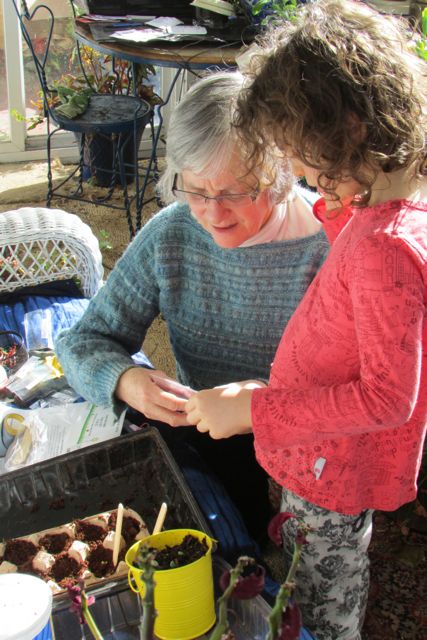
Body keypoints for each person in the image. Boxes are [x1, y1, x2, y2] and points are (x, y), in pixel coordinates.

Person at [185, 3, 427, 639]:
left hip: (334, 468)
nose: (301, 178)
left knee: (320, 602)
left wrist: (258, 408)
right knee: (305, 560)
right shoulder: (384, 212)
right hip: (320, 460)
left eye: (307, 164)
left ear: (345, 127)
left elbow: (387, 397)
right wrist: (341, 202)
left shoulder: (384, 247)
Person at [55, 70, 329, 542]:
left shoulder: (329, 246)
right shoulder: (173, 232)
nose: (214, 214)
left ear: (282, 173)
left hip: (314, 440)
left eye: (236, 192)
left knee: (313, 557)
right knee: (228, 545)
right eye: (197, 190)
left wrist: (264, 402)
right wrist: (125, 380)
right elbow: (81, 341)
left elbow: (367, 394)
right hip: (212, 430)